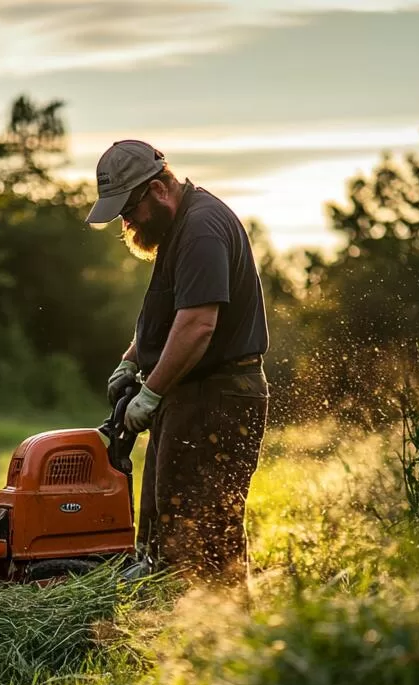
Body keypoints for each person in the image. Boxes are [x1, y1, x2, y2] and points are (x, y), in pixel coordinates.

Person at [86, 139, 270, 587]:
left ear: (157, 189)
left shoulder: (202, 229)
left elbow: (197, 325)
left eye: (129, 208)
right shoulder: (177, 230)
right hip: (195, 395)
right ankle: (171, 636)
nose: (126, 221)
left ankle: (216, 638)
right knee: (165, 532)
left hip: (218, 399)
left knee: (200, 540)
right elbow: (168, 312)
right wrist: (131, 361)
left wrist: (150, 394)